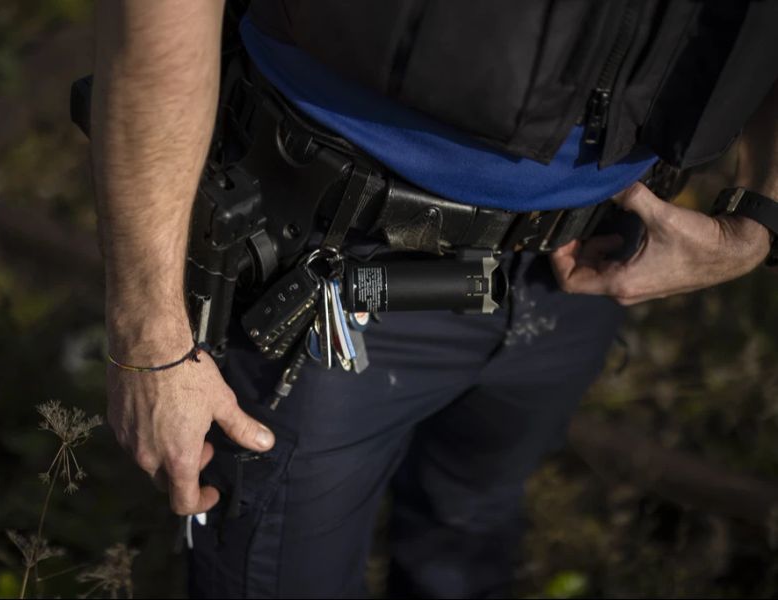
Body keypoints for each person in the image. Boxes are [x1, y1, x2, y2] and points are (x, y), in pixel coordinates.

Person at [91, 1, 778, 597]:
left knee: (470, 536)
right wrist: (151, 339)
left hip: (584, 261)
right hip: (327, 262)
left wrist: (761, 218)